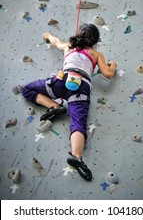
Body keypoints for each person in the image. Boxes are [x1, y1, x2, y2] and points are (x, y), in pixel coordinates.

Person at [22, 23, 117, 181]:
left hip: (61, 81)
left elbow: (56, 42)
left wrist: (48, 36)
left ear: (79, 34)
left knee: (27, 89)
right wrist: (113, 66)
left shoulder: (69, 46)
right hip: (81, 87)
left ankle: (54, 106)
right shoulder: (96, 54)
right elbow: (107, 74)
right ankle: (76, 157)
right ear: (95, 41)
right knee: (78, 124)